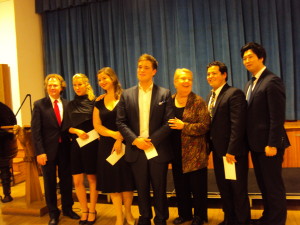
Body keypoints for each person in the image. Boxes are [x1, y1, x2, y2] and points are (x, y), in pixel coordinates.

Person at [116, 54, 174, 225]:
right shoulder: (126, 94)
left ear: (154, 71)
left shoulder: (164, 93)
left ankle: (161, 218)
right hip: (136, 149)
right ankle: (145, 217)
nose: (141, 70)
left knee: (159, 187)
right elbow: (120, 122)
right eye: (139, 66)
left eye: (146, 67)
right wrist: (135, 140)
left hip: (157, 149)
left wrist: (150, 141)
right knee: (141, 188)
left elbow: (169, 123)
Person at [241, 42, 290, 225]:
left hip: (269, 146)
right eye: (244, 58)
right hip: (256, 145)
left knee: (273, 185)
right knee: (264, 185)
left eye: (250, 57)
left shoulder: (272, 80)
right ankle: (268, 218)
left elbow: (277, 117)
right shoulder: (250, 83)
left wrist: (273, 143)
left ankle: (277, 221)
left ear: (261, 58)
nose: (246, 61)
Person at [31, 74, 80, 225]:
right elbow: (36, 131)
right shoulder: (39, 105)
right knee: (49, 182)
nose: (52, 87)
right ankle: (53, 213)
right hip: (47, 151)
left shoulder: (68, 104)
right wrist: (40, 152)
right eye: (49, 85)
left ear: (61, 87)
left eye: (55, 85)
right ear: (46, 87)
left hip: (65, 148)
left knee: (66, 181)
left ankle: (68, 209)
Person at [206, 61, 250, 225]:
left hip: (232, 154)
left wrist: (231, 150)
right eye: (208, 74)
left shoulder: (234, 94)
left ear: (224, 74)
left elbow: (238, 125)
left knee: (237, 189)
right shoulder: (211, 96)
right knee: (224, 189)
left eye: (214, 73)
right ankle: (229, 219)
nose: (210, 76)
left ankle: (242, 221)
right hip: (218, 153)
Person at [93, 67, 135, 225]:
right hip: (106, 146)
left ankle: (129, 214)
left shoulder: (126, 97)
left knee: (126, 183)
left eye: (105, 78)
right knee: (113, 184)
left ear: (113, 78)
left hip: (125, 144)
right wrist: (113, 135)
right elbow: (97, 125)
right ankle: (118, 217)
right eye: (99, 80)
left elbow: (132, 121)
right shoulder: (98, 101)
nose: (102, 82)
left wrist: (120, 138)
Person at [168, 68, 210, 225]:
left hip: (195, 153)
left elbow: (205, 126)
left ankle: (199, 216)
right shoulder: (169, 101)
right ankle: (184, 214)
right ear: (175, 82)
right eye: (183, 78)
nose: (186, 81)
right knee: (181, 186)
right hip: (176, 152)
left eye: (189, 79)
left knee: (198, 188)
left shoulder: (198, 101)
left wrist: (183, 126)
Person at [64, 74, 98, 225]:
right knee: (77, 180)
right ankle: (83, 210)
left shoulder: (95, 102)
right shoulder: (70, 105)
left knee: (92, 178)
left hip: (92, 144)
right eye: (75, 85)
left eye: (79, 84)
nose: (77, 87)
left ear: (86, 85)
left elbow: (99, 123)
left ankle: (92, 210)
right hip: (76, 144)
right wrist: (77, 132)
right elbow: (66, 127)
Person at [0, 101, 17, 203]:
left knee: (4, 170)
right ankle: (7, 194)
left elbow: (11, 127)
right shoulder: (4, 108)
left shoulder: (3, 109)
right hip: (4, 143)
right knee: (4, 169)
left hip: (3, 145)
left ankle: (7, 194)